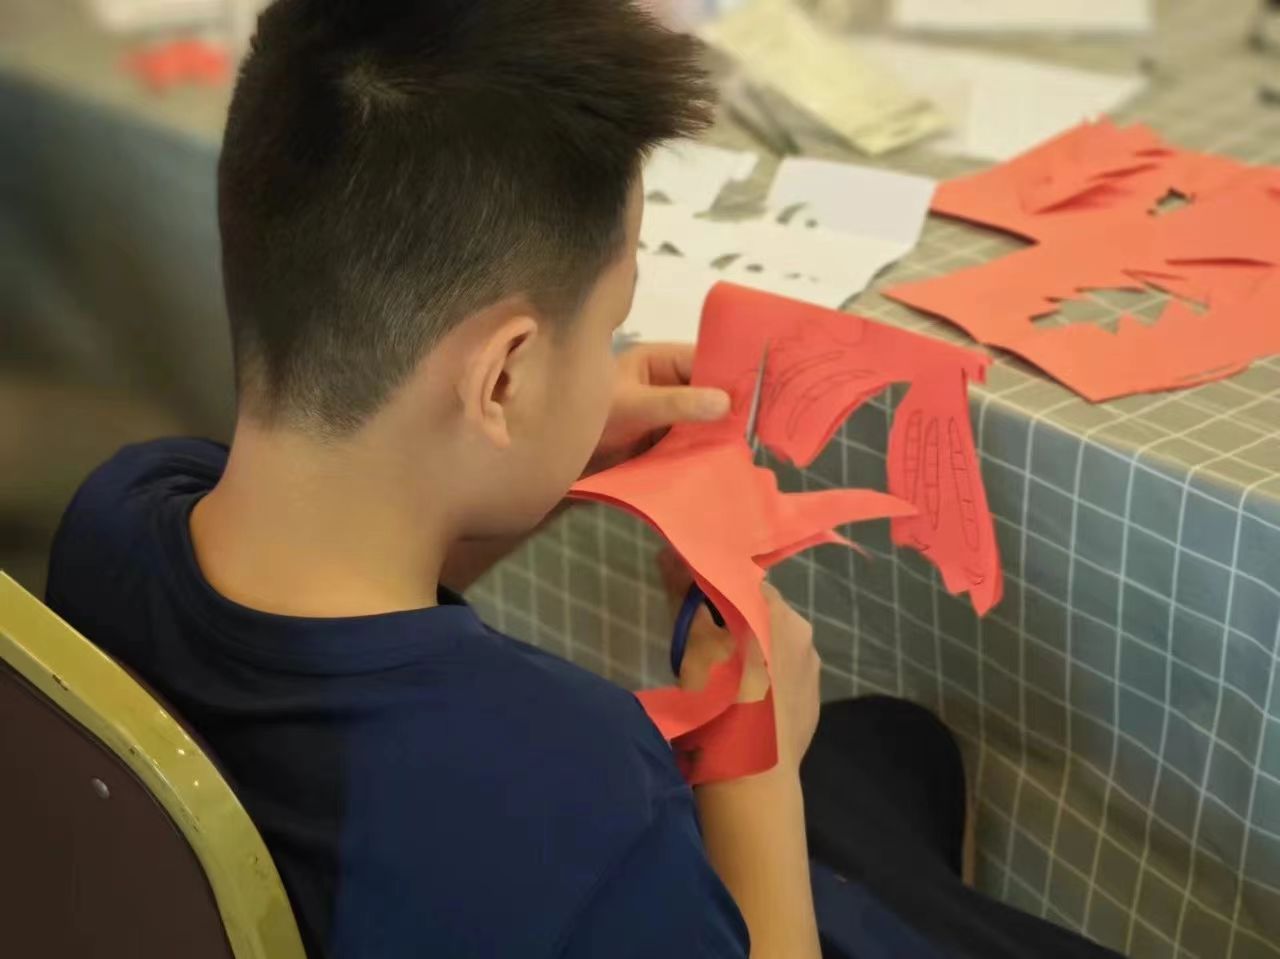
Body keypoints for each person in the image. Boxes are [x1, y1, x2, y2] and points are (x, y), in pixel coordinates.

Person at [45, 2, 1123, 957]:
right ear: (502, 376)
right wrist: (749, 771)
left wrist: (541, 460)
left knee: (889, 752)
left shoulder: (118, 515)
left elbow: (330, 619)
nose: (612, 359)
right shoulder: (575, 785)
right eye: (609, 326)